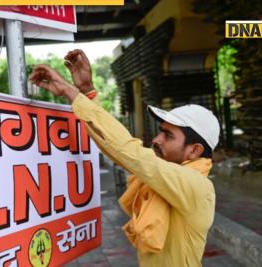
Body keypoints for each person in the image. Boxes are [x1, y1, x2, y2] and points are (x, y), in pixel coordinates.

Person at [29, 49, 220, 267]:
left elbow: (129, 151)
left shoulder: (197, 186)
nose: (156, 139)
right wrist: (87, 92)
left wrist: (70, 92)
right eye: (160, 131)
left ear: (194, 151)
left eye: (168, 136)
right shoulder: (170, 172)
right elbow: (115, 147)